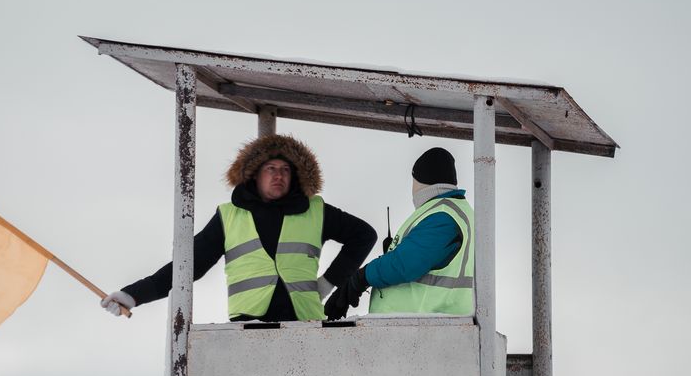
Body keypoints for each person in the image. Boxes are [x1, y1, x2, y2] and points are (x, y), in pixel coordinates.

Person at [102, 134, 377, 322]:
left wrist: (327, 283)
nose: (278, 175)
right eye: (270, 168)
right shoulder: (228, 216)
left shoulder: (316, 211)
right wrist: (133, 295)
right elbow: (187, 267)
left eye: (285, 169)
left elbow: (364, 236)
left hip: (305, 324)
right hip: (247, 329)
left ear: (295, 176)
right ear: (255, 174)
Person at [324, 147, 474, 320]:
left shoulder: (443, 214)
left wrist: (361, 277)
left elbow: (406, 263)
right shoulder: (456, 211)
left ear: (419, 181)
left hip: (421, 328)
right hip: (432, 326)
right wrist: (394, 253)